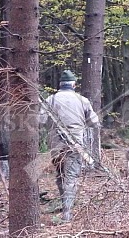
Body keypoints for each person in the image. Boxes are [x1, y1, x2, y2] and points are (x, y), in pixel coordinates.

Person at [40, 70, 100, 222]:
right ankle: (67, 212)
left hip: (56, 144)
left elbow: (40, 121)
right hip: (75, 145)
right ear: (74, 85)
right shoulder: (82, 100)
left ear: (60, 85)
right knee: (71, 177)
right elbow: (95, 123)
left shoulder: (50, 99)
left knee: (60, 175)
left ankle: (64, 204)